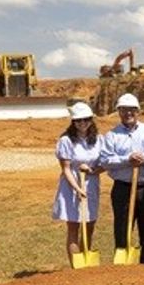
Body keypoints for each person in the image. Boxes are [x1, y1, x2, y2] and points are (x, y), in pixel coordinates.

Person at [100, 93, 144, 265]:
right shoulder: (112, 136)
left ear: (138, 111)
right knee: (122, 227)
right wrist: (127, 160)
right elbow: (106, 160)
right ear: (119, 111)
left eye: (132, 109)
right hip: (123, 189)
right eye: (124, 110)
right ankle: (123, 265)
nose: (128, 113)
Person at [51, 102, 103, 265]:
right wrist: (77, 188)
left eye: (86, 119)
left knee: (89, 224)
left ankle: (86, 260)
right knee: (74, 226)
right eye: (78, 120)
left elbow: (104, 164)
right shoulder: (66, 140)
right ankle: (76, 266)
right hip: (71, 185)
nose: (82, 123)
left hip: (91, 184)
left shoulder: (98, 140)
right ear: (73, 122)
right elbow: (66, 168)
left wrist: (93, 171)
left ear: (91, 120)